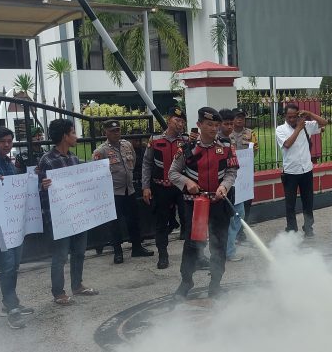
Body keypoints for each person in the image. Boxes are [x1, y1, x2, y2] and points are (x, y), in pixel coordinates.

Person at [169, 107, 238, 299]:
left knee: (219, 244)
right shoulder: (187, 149)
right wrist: (187, 182)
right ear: (199, 125)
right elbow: (172, 173)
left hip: (219, 202)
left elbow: (232, 172)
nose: (213, 128)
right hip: (195, 204)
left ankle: (215, 283)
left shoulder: (226, 146)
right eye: (209, 124)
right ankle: (186, 281)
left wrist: (224, 186)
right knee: (193, 244)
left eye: (216, 125)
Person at [37, 119, 98, 306]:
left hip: (77, 214)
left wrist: (100, 167)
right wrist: (43, 186)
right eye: (73, 133)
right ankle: (58, 292)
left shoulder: (73, 158)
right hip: (58, 218)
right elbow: (38, 191)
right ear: (64, 135)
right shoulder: (47, 160)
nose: (76, 137)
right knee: (61, 255)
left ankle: (77, 285)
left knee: (79, 251)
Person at [0, 126, 34, 330]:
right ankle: (11, 307)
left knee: (14, 264)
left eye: (9, 141)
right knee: (7, 266)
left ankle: (10, 302)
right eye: (2, 142)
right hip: (0, 225)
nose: (7, 145)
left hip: (14, 222)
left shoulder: (9, 162)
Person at [93, 120, 154, 264]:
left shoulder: (127, 145)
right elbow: (95, 172)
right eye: (113, 131)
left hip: (130, 189)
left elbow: (132, 160)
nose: (116, 133)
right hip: (114, 192)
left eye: (118, 130)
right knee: (115, 223)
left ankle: (137, 248)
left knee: (134, 220)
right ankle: (118, 252)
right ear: (105, 132)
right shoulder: (100, 151)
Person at [142, 107, 189, 269]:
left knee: (189, 220)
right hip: (160, 187)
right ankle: (163, 255)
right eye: (177, 120)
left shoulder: (186, 140)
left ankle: (195, 254)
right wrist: (145, 187)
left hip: (181, 187)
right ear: (169, 120)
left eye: (182, 121)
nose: (180, 124)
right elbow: (147, 164)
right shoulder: (154, 140)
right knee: (161, 222)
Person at [275, 104, 328, 237]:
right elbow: (287, 144)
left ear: (298, 115)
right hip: (290, 172)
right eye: (289, 117)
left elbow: (324, 123)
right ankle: (292, 229)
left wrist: (309, 114)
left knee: (308, 201)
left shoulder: (307, 126)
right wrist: (298, 128)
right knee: (290, 203)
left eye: (294, 116)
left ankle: (308, 227)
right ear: (285, 116)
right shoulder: (280, 129)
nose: (292, 119)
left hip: (306, 170)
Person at [219, 109, 247, 262]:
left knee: (238, 215)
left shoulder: (229, 141)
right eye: (226, 123)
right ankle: (227, 251)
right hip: (221, 188)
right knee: (229, 219)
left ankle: (228, 249)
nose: (229, 127)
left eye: (231, 123)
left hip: (234, 185)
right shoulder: (216, 141)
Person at [232, 108, 257, 243]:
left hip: (245, 175)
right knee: (234, 203)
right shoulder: (226, 134)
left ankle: (241, 231)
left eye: (242, 117)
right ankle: (234, 232)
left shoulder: (250, 133)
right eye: (237, 117)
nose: (240, 119)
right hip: (231, 174)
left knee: (246, 203)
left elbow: (256, 150)